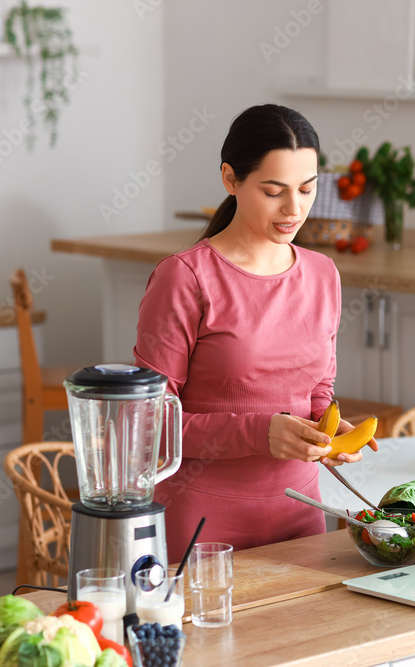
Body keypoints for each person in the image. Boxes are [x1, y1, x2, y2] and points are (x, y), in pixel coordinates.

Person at [133, 104, 377, 562]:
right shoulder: (184, 278)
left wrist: (327, 429)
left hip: (301, 517)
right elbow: (150, 427)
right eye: (273, 191)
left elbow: (317, 390)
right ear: (231, 179)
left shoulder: (324, 274)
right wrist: (259, 434)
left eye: (307, 189)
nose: (294, 209)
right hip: (201, 524)